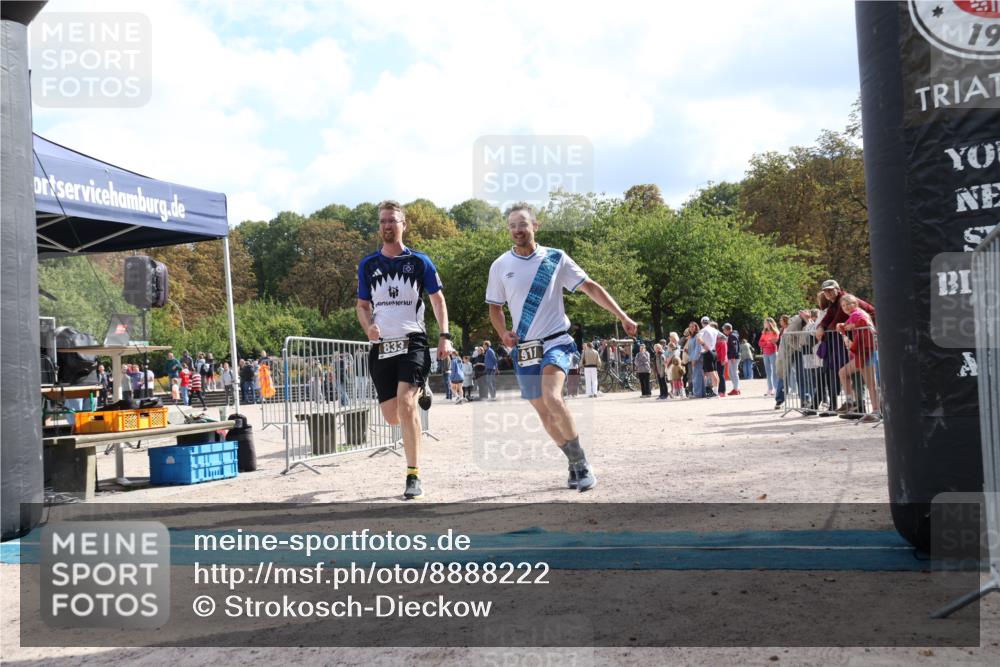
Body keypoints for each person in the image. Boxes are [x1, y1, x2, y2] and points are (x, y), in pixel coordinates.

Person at [486, 202, 637, 492]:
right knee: (543, 411)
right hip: (525, 349)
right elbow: (495, 307)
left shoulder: (555, 258)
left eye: (523, 224)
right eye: (512, 226)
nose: (518, 230)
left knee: (552, 397)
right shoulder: (500, 265)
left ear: (535, 226)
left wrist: (622, 316)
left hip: (556, 340)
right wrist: (503, 332)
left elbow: (590, 286)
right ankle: (572, 461)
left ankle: (582, 463)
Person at [356, 199, 454, 499]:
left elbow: (437, 299)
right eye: (383, 221)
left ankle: (413, 475)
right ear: (379, 226)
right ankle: (421, 390)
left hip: (413, 342)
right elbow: (362, 306)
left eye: (393, 220)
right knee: (392, 416)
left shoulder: (420, 262)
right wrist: (368, 326)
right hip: (382, 348)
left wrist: (445, 336)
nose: (388, 225)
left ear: (403, 224)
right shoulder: (368, 265)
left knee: (406, 404)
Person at [836, 294, 880, 423]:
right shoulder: (858, 314)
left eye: (848, 304)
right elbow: (851, 325)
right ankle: (852, 402)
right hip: (863, 352)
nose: (846, 307)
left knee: (871, 383)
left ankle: (876, 411)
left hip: (865, 352)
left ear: (855, 304)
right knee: (845, 373)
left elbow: (859, 323)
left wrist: (846, 327)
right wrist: (844, 326)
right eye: (843, 306)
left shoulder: (857, 314)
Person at [697, 317, 722, 398]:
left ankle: (715, 393)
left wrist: (705, 346)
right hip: (714, 352)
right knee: (715, 372)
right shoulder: (715, 330)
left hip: (707, 352)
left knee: (712, 372)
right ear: (709, 322)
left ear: (702, 322)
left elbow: (698, 339)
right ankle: (716, 391)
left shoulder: (703, 330)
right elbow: (724, 337)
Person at [759, 317, 780, 395]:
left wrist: (766, 342)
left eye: (765, 322)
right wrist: (766, 343)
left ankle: (776, 388)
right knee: (768, 372)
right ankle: (770, 388)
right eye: (764, 322)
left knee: (774, 371)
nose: (764, 324)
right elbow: (760, 343)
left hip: (773, 352)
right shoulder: (764, 332)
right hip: (765, 353)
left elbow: (774, 341)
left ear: (770, 323)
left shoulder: (775, 332)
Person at [723, 324, 741, 396]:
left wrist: (733, 356)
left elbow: (734, 347)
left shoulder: (732, 336)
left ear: (727, 329)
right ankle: (736, 388)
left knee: (734, 373)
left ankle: (736, 389)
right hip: (732, 357)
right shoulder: (731, 335)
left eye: (724, 329)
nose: (723, 331)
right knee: (731, 373)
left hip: (734, 357)